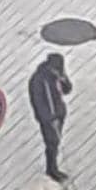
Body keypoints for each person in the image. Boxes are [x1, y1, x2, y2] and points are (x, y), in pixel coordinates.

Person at [28, 53, 72, 181]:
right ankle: (51, 169)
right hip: (48, 118)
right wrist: (48, 118)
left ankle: (53, 166)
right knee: (51, 142)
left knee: (56, 142)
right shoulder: (39, 80)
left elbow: (67, 90)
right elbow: (38, 102)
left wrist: (64, 79)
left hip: (58, 112)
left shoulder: (57, 76)